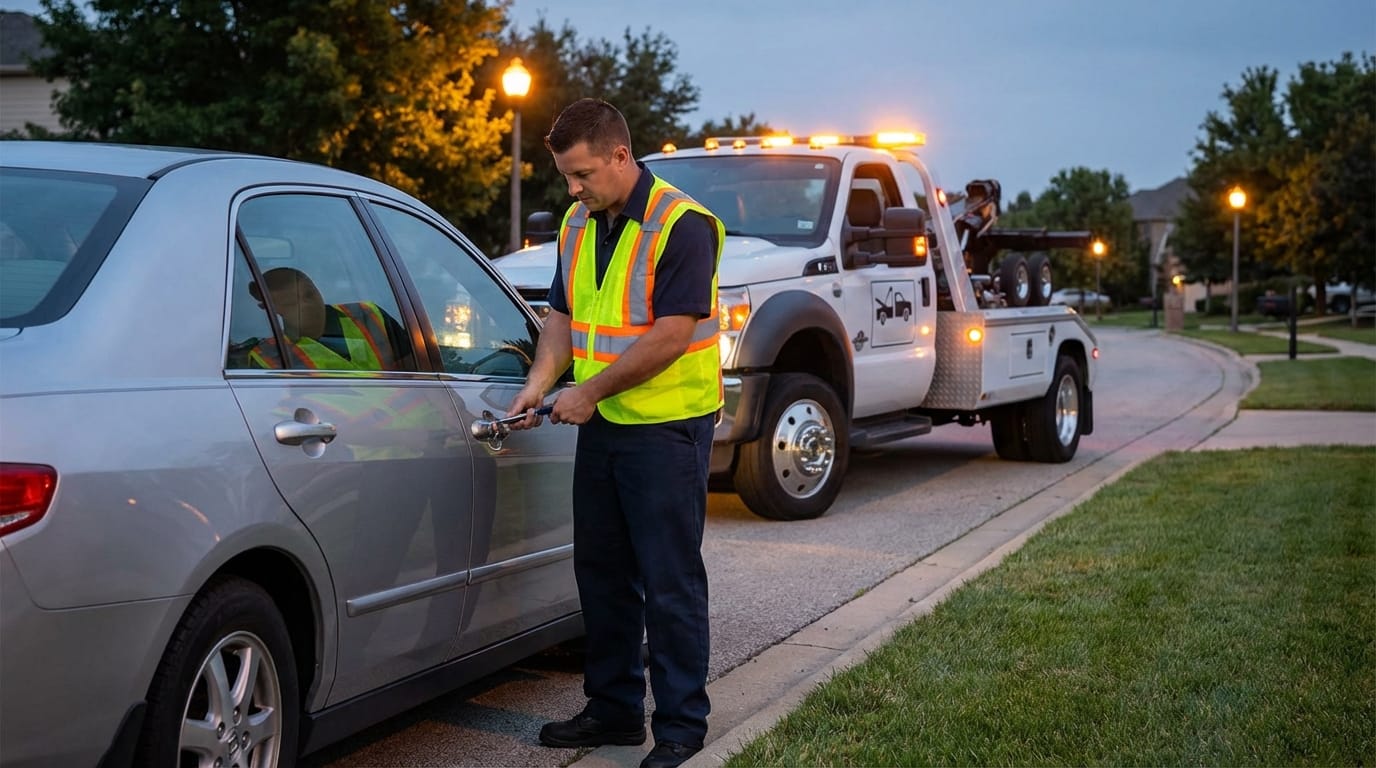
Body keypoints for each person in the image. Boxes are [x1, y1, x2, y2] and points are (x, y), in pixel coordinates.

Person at [506, 98, 725, 768]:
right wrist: (540, 385)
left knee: (669, 581)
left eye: (583, 174)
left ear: (620, 157)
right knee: (601, 575)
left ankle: (683, 725)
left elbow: (670, 336)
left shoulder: (682, 226)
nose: (573, 189)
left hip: (668, 430)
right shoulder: (578, 223)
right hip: (603, 429)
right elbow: (561, 318)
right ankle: (614, 711)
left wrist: (588, 392)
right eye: (567, 177)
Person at [246, 266, 405, 370]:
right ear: (273, 311)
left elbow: (418, 367)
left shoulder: (369, 315)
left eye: (309, 294)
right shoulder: (267, 358)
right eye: (292, 303)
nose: (307, 304)